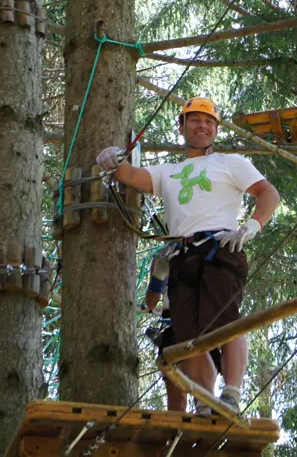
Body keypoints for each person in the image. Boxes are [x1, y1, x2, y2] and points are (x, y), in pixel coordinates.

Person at [97, 96, 281, 415]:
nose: (203, 126)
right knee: (188, 336)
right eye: (195, 120)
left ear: (216, 130)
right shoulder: (167, 172)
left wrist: (250, 227)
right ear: (181, 126)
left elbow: (268, 193)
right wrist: (111, 157)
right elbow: (127, 175)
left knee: (225, 321)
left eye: (210, 122)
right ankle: (204, 402)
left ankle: (232, 394)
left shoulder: (230, 162)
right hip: (182, 256)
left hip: (221, 246)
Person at [144, 248, 222, 413]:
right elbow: (151, 303)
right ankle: (175, 436)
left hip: (202, 318)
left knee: (204, 391)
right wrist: (158, 275)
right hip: (172, 320)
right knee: (176, 398)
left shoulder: (209, 244)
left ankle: (206, 427)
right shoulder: (162, 255)